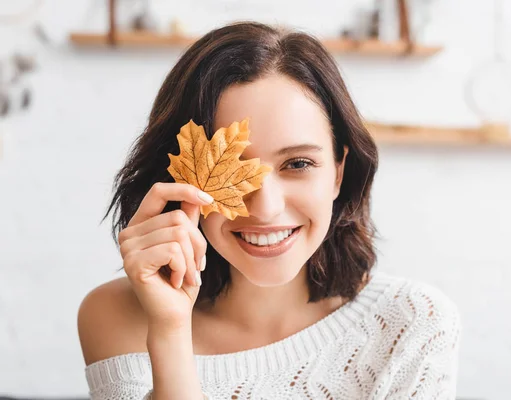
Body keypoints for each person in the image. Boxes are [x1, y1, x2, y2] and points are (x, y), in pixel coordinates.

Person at [77, 21, 461, 400]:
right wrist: (170, 331)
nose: (265, 207)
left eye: (298, 164)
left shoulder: (411, 322)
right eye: (231, 169)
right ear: (178, 179)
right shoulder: (115, 316)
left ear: (338, 173)